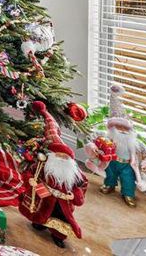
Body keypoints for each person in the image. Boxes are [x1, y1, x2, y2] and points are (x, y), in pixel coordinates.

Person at [19, 101, 87, 248]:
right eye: (59, 155)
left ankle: (58, 236)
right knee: (40, 212)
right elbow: (30, 174)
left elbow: (78, 189)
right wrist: (30, 181)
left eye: (65, 157)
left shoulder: (73, 175)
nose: (62, 158)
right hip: (45, 197)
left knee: (61, 220)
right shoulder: (43, 166)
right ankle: (39, 224)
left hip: (62, 203)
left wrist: (74, 196)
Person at [84, 84, 146, 207]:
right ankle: (109, 185)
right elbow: (91, 137)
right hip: (111, 161)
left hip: (127, 164)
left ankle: (128, 194)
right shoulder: (107, 137)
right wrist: (92, 146)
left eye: (125, 128)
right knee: (110, 174)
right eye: (118, 127)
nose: (121, 130)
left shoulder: (136, 144)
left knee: (128, 180)